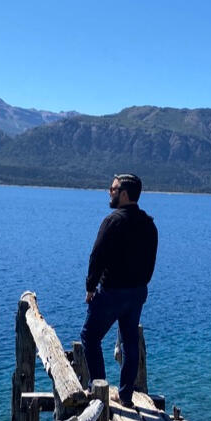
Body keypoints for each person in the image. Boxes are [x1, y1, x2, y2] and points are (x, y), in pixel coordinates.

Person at [80, 173, 158, 407]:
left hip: (112, 292)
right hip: (137, 293)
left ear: (124, 194)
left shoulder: (113, 221)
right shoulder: (149, 224)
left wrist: (90, 287)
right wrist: (141, 286)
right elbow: (151, 261)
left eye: (113, 189)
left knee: (90, 336)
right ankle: (125, 397)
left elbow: (97, 256)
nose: (109, 193)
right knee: (130, 343)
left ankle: (98, 390)